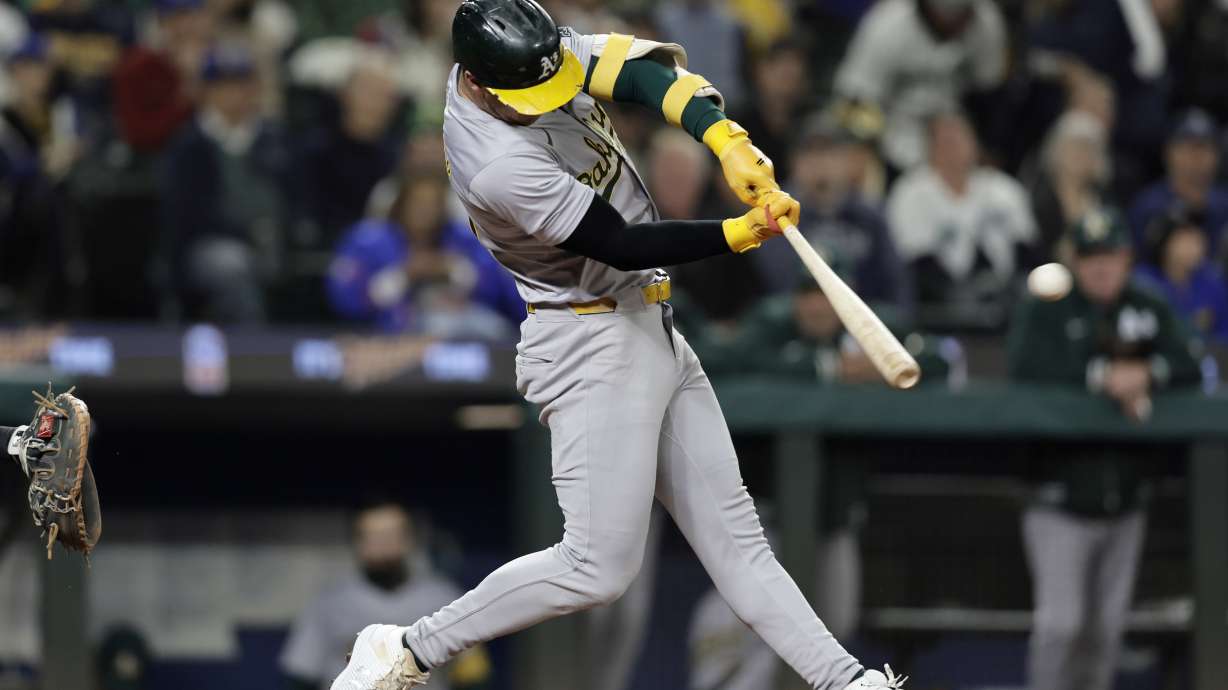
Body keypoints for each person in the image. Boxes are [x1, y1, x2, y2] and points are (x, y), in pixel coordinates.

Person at [330, 2, 904, 690]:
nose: (545, 100)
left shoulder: (530, 56)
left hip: (646, 323)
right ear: (478, 86)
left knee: (739, 543)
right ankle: (407, 648)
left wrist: (722, 138)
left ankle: (848, 681)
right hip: (587, 336)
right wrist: (737, 232)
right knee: (597, 566)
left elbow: (644, 76)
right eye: (525, 97)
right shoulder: (493, 162)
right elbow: (620, 243)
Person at [1007, 207, 1202, 690]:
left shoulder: (1147, 304)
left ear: (1126, 258)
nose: (1100, 267)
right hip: (1059, 496)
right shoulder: (1047, 304)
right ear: (1075, 260)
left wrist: (1147, 374)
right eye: (1090, 257)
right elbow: (1025, 371)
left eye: (1109, 256)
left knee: (1105, 633)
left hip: (1126, 497)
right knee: (1062, 625)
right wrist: (1102, 377)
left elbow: (1192, 366)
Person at [281, 501, 492, 690]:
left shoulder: (442, 597)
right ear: (358, 544)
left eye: (392, 536)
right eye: (374, 538)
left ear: (408, 540)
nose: (384, 546)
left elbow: (473, 675)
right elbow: (300, 675)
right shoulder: (330, 602)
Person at [161, 42, 291, 323]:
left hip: (274, 240)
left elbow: (294, 196)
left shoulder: (274, 139)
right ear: (207, 91)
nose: (235, 93)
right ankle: (254, 353)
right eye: (224, 84)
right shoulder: (189, 145)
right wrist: (246, 233)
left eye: (242, 83)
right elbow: (185, 218)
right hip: (210, 247)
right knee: (232, 264)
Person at [326, 171, 522, 339]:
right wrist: (405, 274)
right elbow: (347, 300)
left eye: (433, 203)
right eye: (417, 202)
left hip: (464, 324)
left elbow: (498, 289)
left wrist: (453, 269)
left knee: (495, 331)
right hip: (392, 333)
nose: (425, 211)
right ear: (401, 205)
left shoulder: (463, 238)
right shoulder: (369, 241)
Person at [886, 110, 1037, 325]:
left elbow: (1027, 251)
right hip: (941, 307)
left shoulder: (1003, 188)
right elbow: (917, 263)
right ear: (931, 147)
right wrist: (962, 297)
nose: (955, 146)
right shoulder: (911, 191)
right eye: (946, 140)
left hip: (1005, 299)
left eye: (961, 137)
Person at [754, 116, 911, 313]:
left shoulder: (870, 216)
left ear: (848, 161)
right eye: (810, 154)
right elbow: (777, 283)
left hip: (861, 324)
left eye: (829, 153)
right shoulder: (775, 214)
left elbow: (896, 286)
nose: (820, 164)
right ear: (794, 164)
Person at [832, 0, 1007, 172]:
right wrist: (872, 145)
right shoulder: (887, 24)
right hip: (893, 136)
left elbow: (990, 92)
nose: (953, 23)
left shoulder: (985, 20)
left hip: (956, 135)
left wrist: (987, 146)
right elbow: (853, 99)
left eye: (962, 16)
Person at [1129, 109, 1228, 262]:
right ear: (1169, 153)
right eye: (1189, 149)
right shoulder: (1148, 206)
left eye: (1205, 149)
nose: (1198, 158)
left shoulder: (1223, 203)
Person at [1024, 110, 1111, 263]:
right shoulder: (1039, 201)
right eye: (1074, 146)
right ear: (1056, 151)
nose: (1081, 155)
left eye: (1088, 148)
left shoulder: (1105, 199)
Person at [1134, 208, 1228, 342]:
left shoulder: (1213, 282)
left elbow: (1224, 335)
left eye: (1198, 239)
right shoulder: (1143, 283)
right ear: (1164, 244)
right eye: (1185, 240)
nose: (1196, 248)